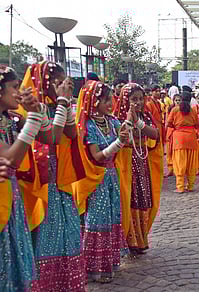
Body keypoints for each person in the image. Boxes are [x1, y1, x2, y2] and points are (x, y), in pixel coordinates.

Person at [20, 61, 87, 291]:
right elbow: (54, 137)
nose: (62, 87)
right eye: (57, 83)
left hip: (60, 180)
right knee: (45, 236)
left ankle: (67, 283)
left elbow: (70, 132)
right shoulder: (33, 110)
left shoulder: (55, 106)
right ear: (43, 83)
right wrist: (61, 102)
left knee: (68, 234)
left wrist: (65, 104)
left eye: (63, 82)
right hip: (41, 182)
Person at [72, 80, 130, 283]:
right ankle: (92, 268)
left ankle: (108, 264)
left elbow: (126, 139)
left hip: (112, 177)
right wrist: (119, 142)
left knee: (112, 217)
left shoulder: (111, 120)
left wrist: (127, 131)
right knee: (97, 220)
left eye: (111, 99)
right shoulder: (88, 126)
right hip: (95, 179)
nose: (110, 103)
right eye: (105, 100)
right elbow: (96, 155)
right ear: (93, 101)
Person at [0, 65, 41, 291]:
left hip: (11, 197)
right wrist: (33, 117)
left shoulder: (11, 119)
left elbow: (49, 136)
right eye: (14, 87)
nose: (18, 92)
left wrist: (38, 109)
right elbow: (11, 159)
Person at [112, 83, 162, 257]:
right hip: (126, 165)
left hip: (142, 164)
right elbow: (121, 137)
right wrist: (128, 119)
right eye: (134, 99)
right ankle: (129, 241)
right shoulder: (116, 118)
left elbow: (155, 134)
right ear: (125, 100)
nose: (138, 103)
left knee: (143, 199)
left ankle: (141, 240)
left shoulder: (145, 116)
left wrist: (138, 122)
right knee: (129, 199)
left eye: (141, 99)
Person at [167, 91, 199, 193]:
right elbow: (197, 125)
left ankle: (180, 187)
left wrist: (177, 127)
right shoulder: (193, 111)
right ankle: (190, 186)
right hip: (191, 138)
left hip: (179, 139)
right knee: (191, 163)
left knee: (179, 163)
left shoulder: (175, 110)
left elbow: (169, 123)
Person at [165, 94, 182, 178]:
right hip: (170, 131)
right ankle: (170, 168)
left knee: (176, 151)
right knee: (169, 151)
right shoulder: (170, 109)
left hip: (178, 133)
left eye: (179, 100)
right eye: (176, 100)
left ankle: (176, 168)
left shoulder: (183, 109)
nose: (178, 102)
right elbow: (167, 121)